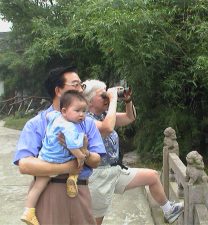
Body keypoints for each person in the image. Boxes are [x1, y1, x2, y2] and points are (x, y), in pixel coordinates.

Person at [13, 66, 106, 225]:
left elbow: (96, 161)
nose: (80, 89)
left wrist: (85, 152)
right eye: (75, 84)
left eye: (81, 85)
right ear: (58, 90)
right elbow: (25, 165)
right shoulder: (37, 124)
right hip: (49, 191)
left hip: (80, 190)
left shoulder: (88, 123)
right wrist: (67, 167)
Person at [83, 79, 184, 225]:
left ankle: (169, 210)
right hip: (99, 176)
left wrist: (128, 100)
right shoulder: (86, 120)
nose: (107, 97)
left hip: (115, 170)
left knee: (153, 176)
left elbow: (130, 117)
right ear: (89, 101)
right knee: (95, 222)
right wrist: (112, 100)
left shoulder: (106, 116)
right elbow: (107, 128)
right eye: (102, 95)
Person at [21, 90, 89, 225]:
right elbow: (72, 146)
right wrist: (81, 156)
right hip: (60, 159)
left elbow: (48, 116)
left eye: (84, 111)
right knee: (82, 144)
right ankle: (72, 178)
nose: (81, 114)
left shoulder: (55, 116)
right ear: (64, 111)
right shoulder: (69, 127)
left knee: (38, 186)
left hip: (45, 157)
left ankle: (28, 211)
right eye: (77, 111)